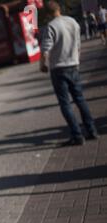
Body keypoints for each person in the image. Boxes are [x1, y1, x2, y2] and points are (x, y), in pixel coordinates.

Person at [40, 1, 98, 146]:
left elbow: (45, 49)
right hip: (73, 65)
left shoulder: (51, 26)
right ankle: (92, 130)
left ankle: (77, 135)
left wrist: (43, 65)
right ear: (59, 9)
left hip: (58, 69)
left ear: (47, 14)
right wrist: (76, 61)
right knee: (80, 99)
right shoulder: (73, 22)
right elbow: (78, 44)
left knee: (65, 103)